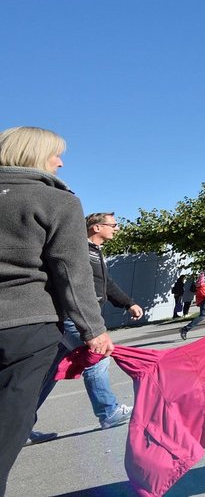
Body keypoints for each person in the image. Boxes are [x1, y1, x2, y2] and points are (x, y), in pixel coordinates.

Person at [0, 127, 113, 495]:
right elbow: (70, 272)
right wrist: (92, 330)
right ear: (33, 155)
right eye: (55, 154)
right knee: (8, 425)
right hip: (26, 327)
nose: (61, 162)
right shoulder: (56, 201)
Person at [29, 212, 143, 443]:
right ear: (96, 227)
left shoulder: (94, 252)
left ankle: (17, 426)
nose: (117, 228)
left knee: (50, 372)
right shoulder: (76, 248)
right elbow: (68, 281)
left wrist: (128, 303)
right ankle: (108, 411)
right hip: (74, 315)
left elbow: (106, 284)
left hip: (81, 315)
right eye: (113, 225)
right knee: (97, 355)